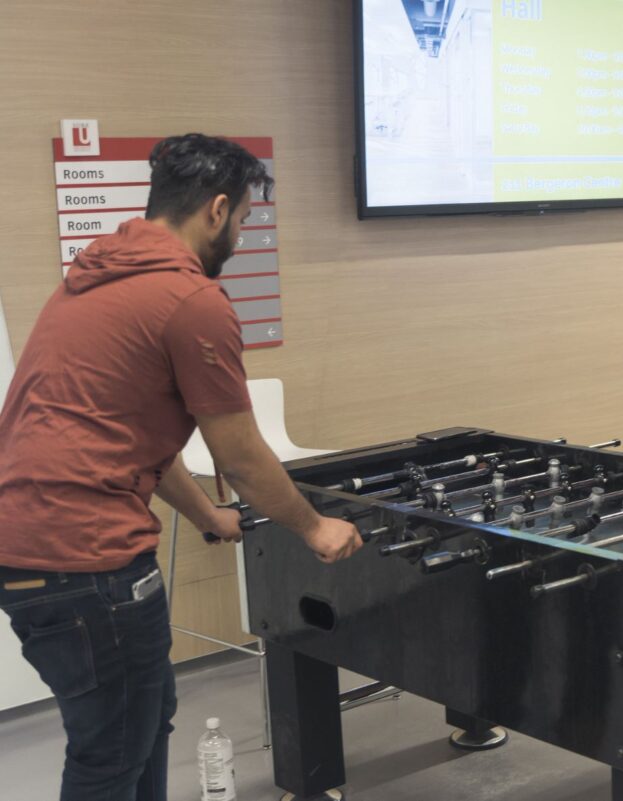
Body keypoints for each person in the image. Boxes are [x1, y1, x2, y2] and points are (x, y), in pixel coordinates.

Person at [0, 133, 362, 801]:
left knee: (144, 720)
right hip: (89, 559)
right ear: (217, 211)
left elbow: (134, 435)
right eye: (247, 219)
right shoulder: (190, 300)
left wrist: (206, 514)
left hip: (31, 551)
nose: (244, 237)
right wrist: (315, 529)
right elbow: (242, 454)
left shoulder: (94, 277)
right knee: (110, 753)